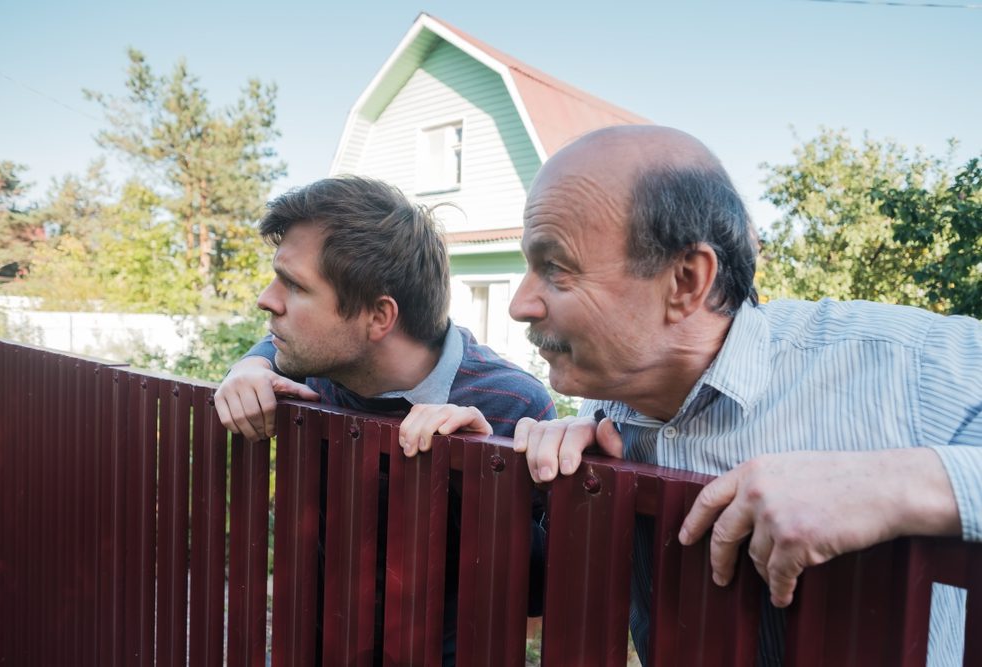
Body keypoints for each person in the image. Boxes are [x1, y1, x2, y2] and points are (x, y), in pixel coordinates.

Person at [507, 125, 981, 665]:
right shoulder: (610, 405)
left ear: (686, 281)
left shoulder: (903, 364)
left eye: (555, 269)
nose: (520, 304)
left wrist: (896, 482)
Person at [214, 175, 555, 664]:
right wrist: (250, 364)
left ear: (379, 317)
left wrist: (479, 476)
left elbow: (539, 594)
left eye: (294, 285)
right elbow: (277, 346)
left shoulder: (509, 403)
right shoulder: (321, 364)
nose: (267, 300)